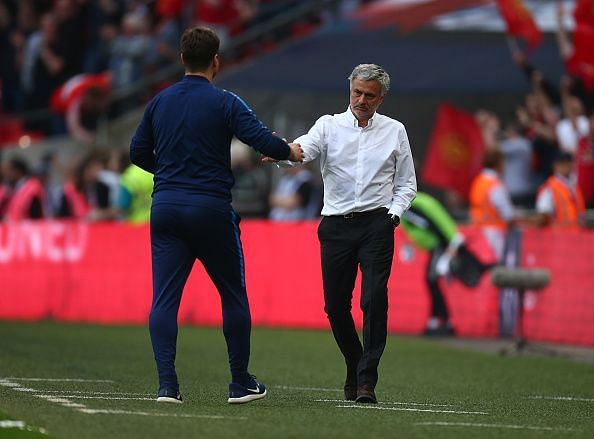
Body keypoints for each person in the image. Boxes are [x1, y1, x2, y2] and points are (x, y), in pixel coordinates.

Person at [129, 26, 303, 405]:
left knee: (164, 300)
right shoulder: (225, 101)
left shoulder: (159, 102)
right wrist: (290, 151)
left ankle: (167, 386)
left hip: (167, 208)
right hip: (210, 208)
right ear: (216, 62)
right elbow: (262, 140)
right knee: (233, 295)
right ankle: (240, 383)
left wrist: (171, 173)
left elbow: (137, 151)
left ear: (181, 60)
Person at [268, 64, 417, 404]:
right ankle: (354, 360)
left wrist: (392, 216)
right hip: (335, 226)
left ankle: (366, 380)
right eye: (357, 92)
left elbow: (407, 183)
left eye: (369, 95)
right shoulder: (328, 125)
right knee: (335, 307)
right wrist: (281, 152)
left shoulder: (395, 131)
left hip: (376, 225)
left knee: (374, 300)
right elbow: (302, 150)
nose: (362, 100)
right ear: (349, 89)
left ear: (382, 97)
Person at [401, 192, 491, 336]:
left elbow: (432, 225)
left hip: (442, 245)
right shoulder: (416, 201)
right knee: (433, 282)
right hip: (444, 244)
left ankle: (439, 321)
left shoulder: (410, 206)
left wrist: (450, 248)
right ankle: (442, 321)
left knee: (432, 280)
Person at [535, 151, 585, 228]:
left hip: (577, 233)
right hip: (559, 235)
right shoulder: (550, 187)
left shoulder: (574, 185)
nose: (566, 165)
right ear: (555, 165)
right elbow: (543, 215)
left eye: (568, 162)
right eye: (562, 163)